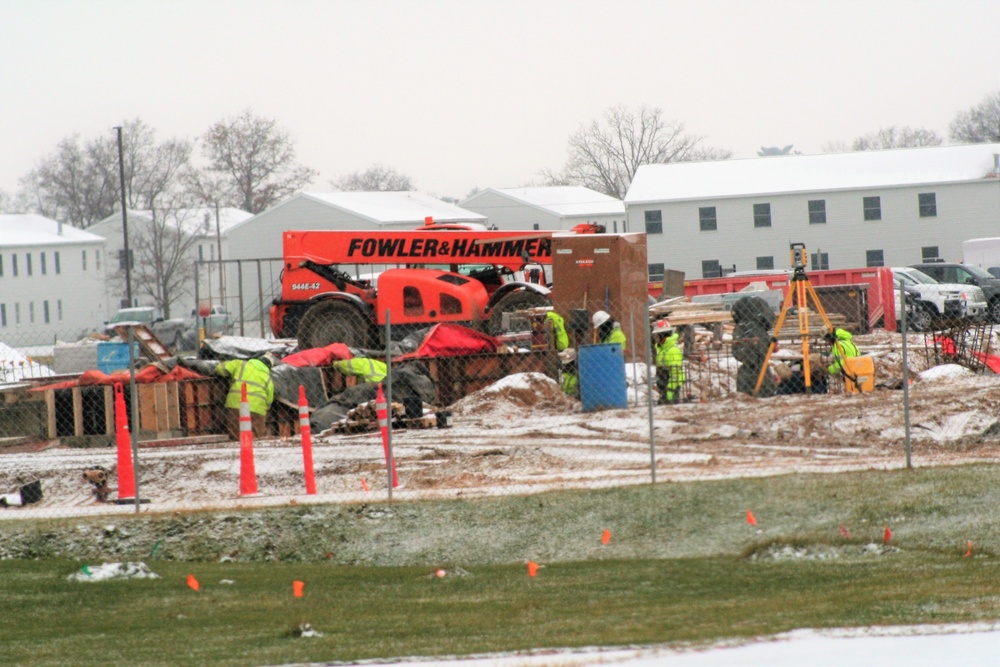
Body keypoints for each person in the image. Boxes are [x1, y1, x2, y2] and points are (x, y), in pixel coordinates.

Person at [217, 353, 276, 440]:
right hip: (258, 409)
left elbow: (220, 369)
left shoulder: (240, 364)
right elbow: (269, 399)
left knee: (236, 434)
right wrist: (265, 408)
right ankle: (254, 451)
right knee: (256, 436)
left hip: (236, 404)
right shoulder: (267, 377)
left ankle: (238, 451)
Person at [652, 319, 685, 404]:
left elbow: (675, 373)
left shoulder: (672, 351)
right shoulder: (663, 350)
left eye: (657, 335)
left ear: (662, 335)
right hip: (664, 387)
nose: (656, 338)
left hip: (671, 387)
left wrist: (670, 392)